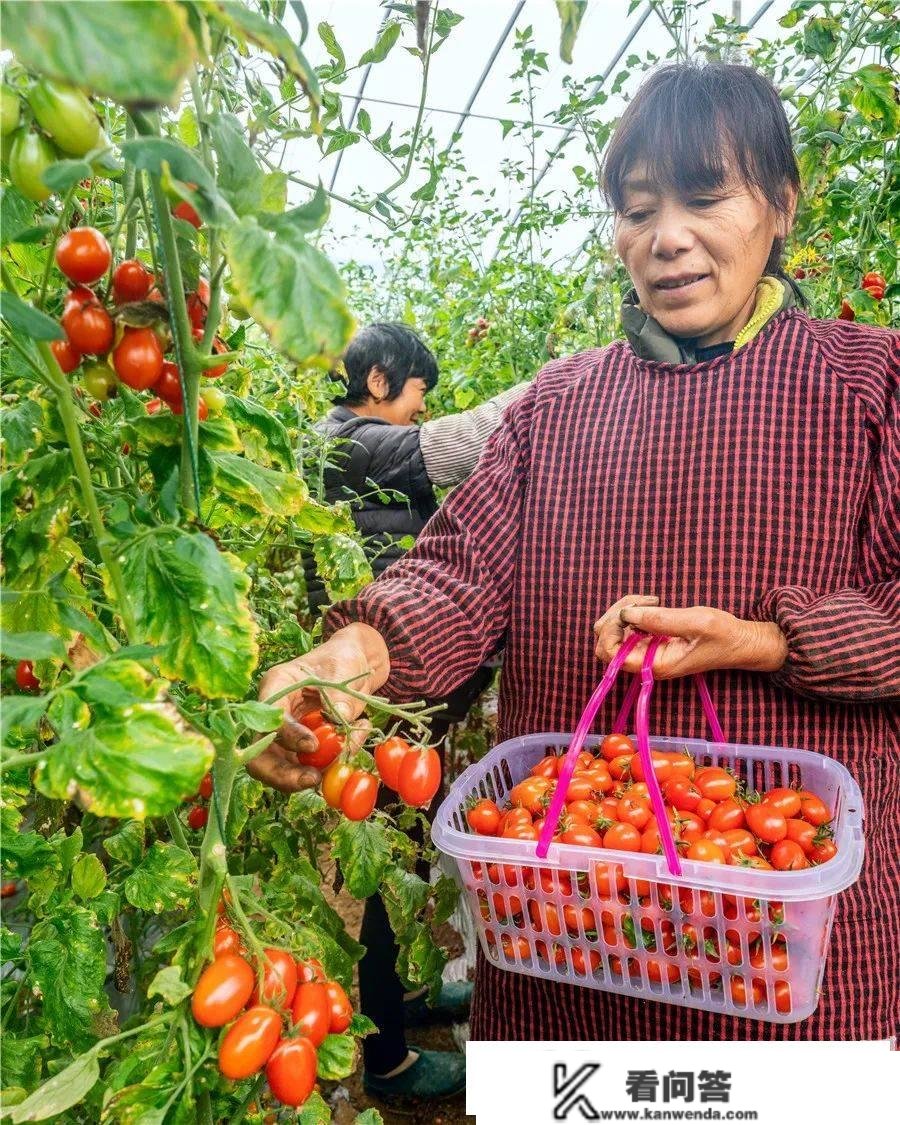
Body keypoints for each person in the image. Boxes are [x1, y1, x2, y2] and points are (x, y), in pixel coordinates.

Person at [252, 61, 898, 1052]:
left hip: (787, 947)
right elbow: (457, 573)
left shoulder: (871, 386)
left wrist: (768, 641)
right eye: (638, 210)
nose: (666, 237)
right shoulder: (556, 405)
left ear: (780, 203)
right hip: (566, 939)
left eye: (705, 197)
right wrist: (358, 657)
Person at [303, 322, 529, 1100]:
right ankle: (389, 1058)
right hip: (379, 698)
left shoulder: (366, 445)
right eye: (417, 393)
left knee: (405, 859)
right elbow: (453, 447)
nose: (419, 410)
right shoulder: (346, 444)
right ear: (378, 382)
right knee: (382, 868)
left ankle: (408, 994)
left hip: (404, 693)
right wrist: (564, 388)